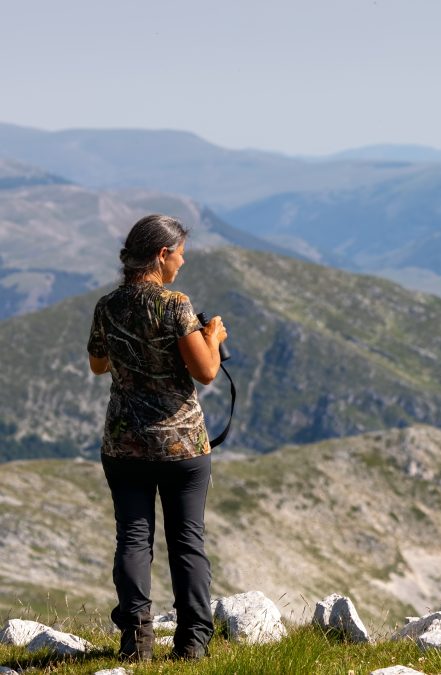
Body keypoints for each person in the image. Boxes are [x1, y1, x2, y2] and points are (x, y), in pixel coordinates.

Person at [86, 214, 228, 661]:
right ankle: (192, 645)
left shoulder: (107, 306)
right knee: (187, 540)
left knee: (132, 537)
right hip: (181, 445)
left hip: (125, 441)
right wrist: (213, 337)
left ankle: (136, 643)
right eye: (180, 254)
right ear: (162, 254)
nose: (182, 263)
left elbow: (98, 364)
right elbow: (206, 372)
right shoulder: (175, 305)